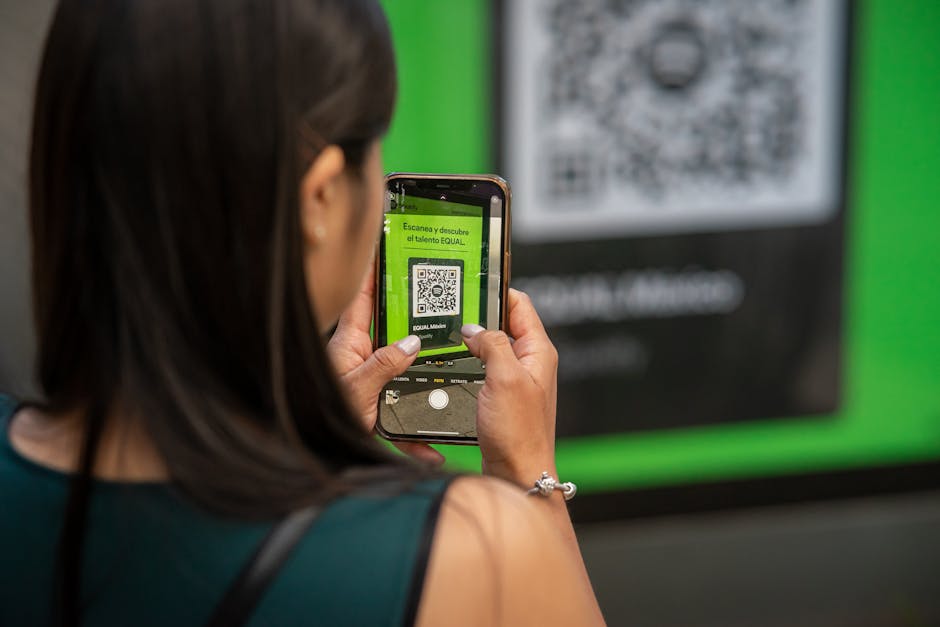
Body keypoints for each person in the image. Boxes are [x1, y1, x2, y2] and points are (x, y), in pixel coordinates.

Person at [0, 0, 605, 625]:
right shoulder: (472, 549)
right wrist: (531, 479)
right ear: (319, 196)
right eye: (376, 147)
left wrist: (303, 436)